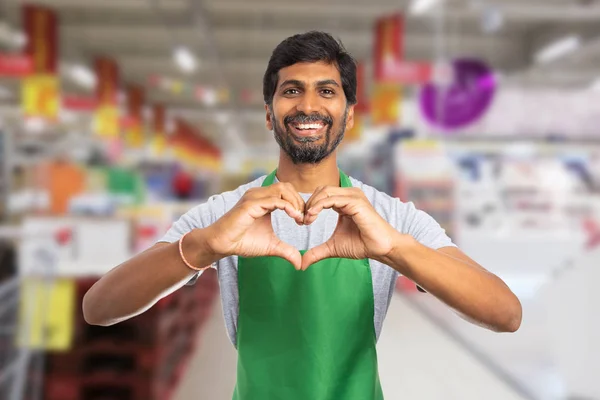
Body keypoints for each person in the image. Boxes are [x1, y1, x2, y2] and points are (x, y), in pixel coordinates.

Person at [83, 31, 522, 399]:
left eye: (326, 91)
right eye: (291, 90)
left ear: (349, 116)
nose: (308, 105)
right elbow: (99, 308)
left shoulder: (392, 217)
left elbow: (505, 313)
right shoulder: (226, 214)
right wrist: (204, 246)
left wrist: (395, 250)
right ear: (270, 116)